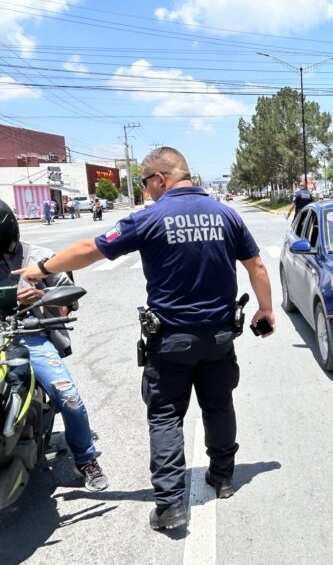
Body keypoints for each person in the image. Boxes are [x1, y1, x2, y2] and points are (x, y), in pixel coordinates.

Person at [13, 146, 275, 532]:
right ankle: (222, 477)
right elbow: (256, 265)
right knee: (219, 407)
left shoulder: (150, 217)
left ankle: (170, 505)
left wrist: (40, 269)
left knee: (166, 416)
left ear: (160, 179)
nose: (146, 191)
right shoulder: (226, 215)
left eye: (146, 183)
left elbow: (90, 250)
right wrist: (265, 310)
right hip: (219, 337)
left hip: (170, 342)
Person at [0, 200, 109, 491]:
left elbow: (68, 295)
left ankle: (85, 459)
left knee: (69, 397)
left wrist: (43, 295)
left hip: (27, 335)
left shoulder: (39, 257)